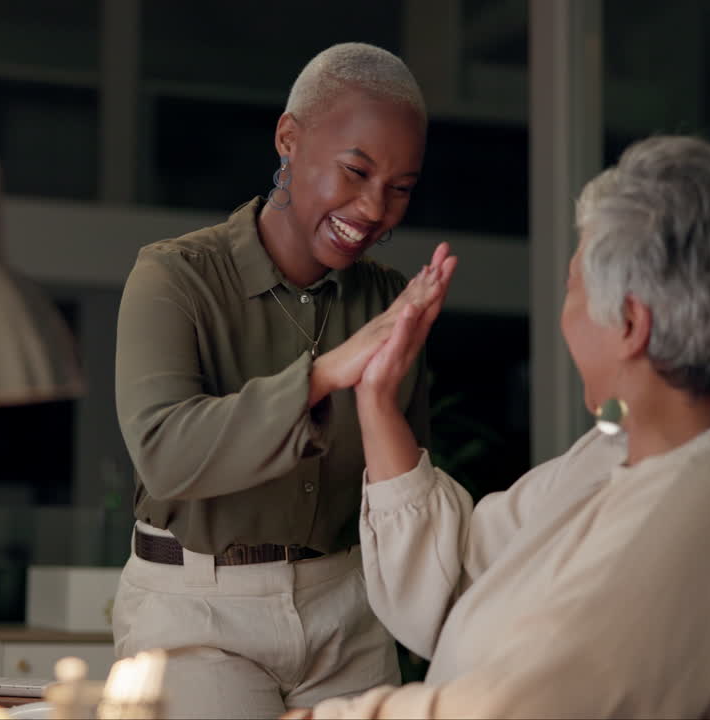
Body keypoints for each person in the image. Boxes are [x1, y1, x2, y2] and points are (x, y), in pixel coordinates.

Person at [299, 135, 710, 719]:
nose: (566, 317)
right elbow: (460, 575)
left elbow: (516, 709)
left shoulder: (701, 502)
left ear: (631, 323)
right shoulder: (622, 441)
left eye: (573, 288)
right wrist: (379, 400)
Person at [111, 42, 459, 718]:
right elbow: (168, 454)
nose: (373, 208)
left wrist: (380, 395)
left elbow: (398, 495)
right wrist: (329, 373)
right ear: (289, 139)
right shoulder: (174, 277)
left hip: (349, 617)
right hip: (195, 618)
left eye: (400, 189)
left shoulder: (391, 302)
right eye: (355, 171)